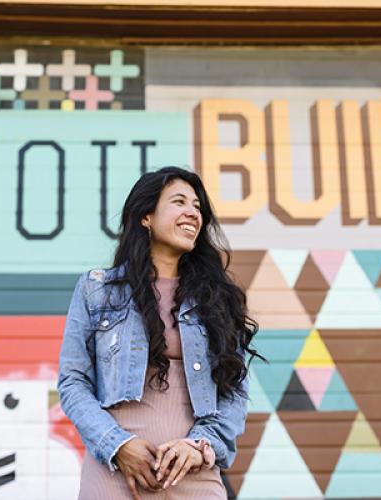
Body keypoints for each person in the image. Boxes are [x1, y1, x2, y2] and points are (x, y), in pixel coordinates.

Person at [58, 166, 263, 499]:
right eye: (179, 202)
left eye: (197, 207)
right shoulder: (97, 290)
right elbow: (73, 381)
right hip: (117, 472)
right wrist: (118, 445)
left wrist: (200, 446)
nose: (192, 213)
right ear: (146, 217)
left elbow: (234, 391)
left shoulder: (217, 298)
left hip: (193, 473)